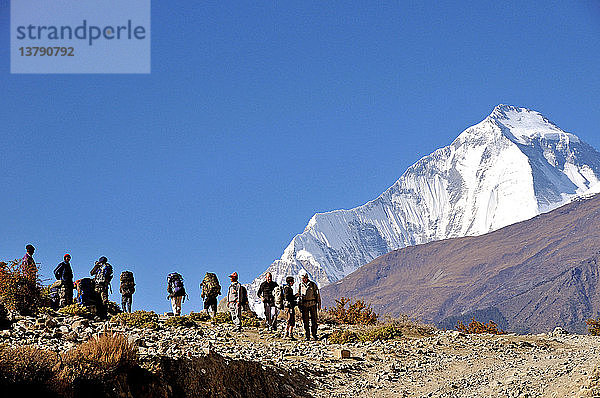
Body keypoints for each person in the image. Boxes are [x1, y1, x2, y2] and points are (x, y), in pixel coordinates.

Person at [298, 271, 321, 341]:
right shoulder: (300, 285)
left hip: (313, 304)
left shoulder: (313, 285)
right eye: (302, 278)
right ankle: (307, 336)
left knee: (314, 320)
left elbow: (317, 295)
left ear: (306, 278)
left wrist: (319, 305)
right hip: (304, 305)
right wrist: (299, 305)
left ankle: (314, 335)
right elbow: (299, 295)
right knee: (305, 321)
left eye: (304, 278)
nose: (303, 280)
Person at [283, 276, 297, 340]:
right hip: (289, 306)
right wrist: (295, 297)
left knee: (291, 319)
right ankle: (287, 333)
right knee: (290, 319)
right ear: (290, 282)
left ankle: (289, 333)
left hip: (289, 306)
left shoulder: (288, 288)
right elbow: (288, 297)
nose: (293, 282)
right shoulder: (288, 289)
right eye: (292, 281)